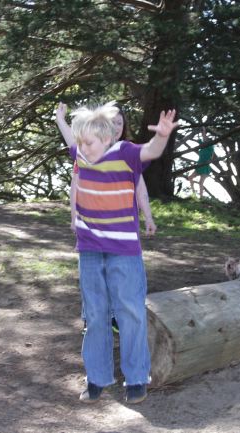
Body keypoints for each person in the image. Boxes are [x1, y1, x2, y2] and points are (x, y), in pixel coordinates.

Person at [55, 101, 177, 405]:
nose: (83, 148)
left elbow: (151, 150)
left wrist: (162, 135)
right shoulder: (82, 154)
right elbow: (71, 140)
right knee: (95, 315)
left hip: (124, 251)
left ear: (107, 139)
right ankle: (97, 377)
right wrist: (60, 119)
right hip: (90, 250)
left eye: (89, 143)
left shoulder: (124, 153)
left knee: (130, 312)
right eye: (81, 142)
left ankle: (136, 378)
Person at [58, 103, 156, 337]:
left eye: (120, 123)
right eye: (112, 123)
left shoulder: (128, 154)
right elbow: (76, 186)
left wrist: (148, 217)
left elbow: (141, 189)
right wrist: (74, 216)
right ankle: (91, 319)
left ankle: (116, 317)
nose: (116, 127)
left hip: (121, 231)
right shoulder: (88, 151)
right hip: (93, 230)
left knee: (120, 276)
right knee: (94, 275)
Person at [186, 127, 214, 199]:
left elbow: (204, 137)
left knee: (201, 182)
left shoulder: (210, 146)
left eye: (207, 140)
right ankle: (194, 194)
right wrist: (201, 131)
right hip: (199, 166)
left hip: (205, 166)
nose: (205, 140)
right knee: (190, 177)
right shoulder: (203, 146)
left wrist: (204, 131)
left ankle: (201, 198)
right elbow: (202, 139)